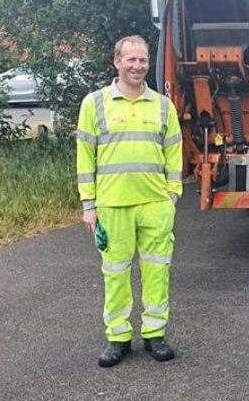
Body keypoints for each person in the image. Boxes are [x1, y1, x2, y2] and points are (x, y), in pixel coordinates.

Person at [76, 35, 183, 367]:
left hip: (155, 205)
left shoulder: (164, 106)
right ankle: (118, 337)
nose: (137, 65)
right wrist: (88, 204)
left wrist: (172, 196)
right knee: (115, 274)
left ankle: (154, 334)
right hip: (113, 206)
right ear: (117, 62)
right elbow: (84, 157)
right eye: (131, 59)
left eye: (143, 59)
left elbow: (174, 153)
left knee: (157, 272)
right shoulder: (93, 104)